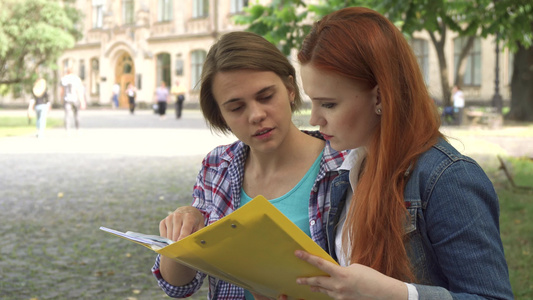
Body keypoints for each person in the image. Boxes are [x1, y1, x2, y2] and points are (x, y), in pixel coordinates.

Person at [292, 7, 513, 300]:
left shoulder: (448, 179)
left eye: (329, 104)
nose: (314, 119)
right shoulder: (344, 176)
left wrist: (398, 294)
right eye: (312, 103)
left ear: (381, 96)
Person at [151, 31, 346, 299]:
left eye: (266, 96)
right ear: (220, 114)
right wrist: (180, 237)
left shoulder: (343, 165)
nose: (256, 115)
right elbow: (179, 285)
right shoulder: (217, 166)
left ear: (290, 88)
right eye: (236, 107)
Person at [60, 68, 86, 132]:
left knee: (67, 115)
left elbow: (62, 91)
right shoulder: (76, 79)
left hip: (67, 99)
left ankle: (67, 129)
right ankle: (78, 128)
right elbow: (79, 91)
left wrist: (61, 99)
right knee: (76, 114)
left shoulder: (64, 79)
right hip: (75, 99)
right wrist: (82, 101)